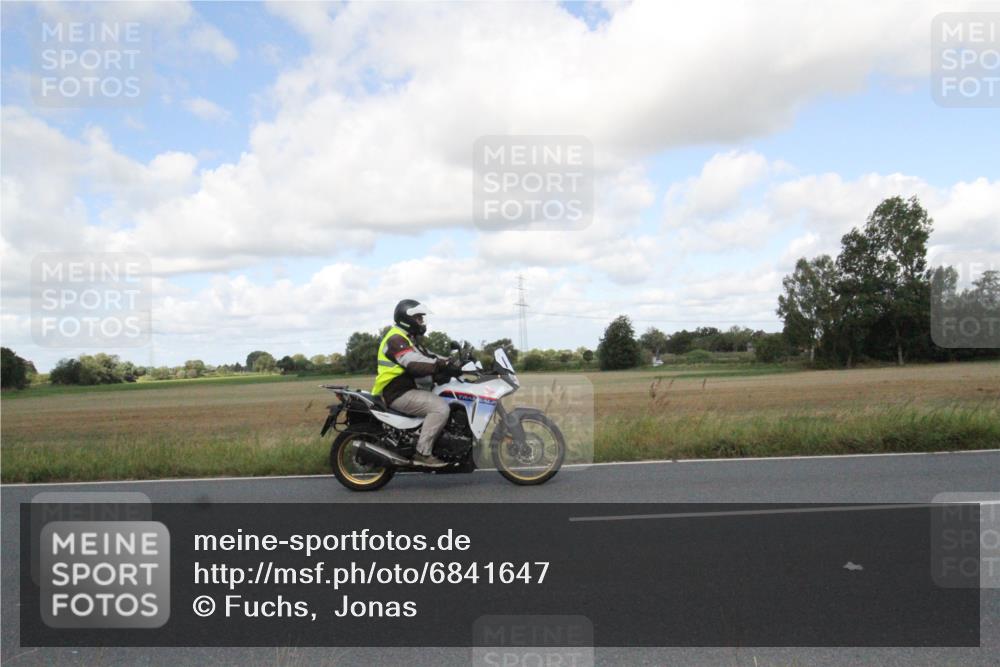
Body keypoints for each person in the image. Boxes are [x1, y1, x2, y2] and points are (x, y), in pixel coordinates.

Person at [372, 299, 461, 467]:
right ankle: (423, 453)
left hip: (407, 389)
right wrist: (442, 365)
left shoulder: (408, 339)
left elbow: (429, 356)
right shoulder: (396, 339)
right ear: (408, 319)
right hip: (398, 392)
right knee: (440, 408)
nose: (421, 322)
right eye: (418, 318)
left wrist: (453, 361)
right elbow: (414, 363)